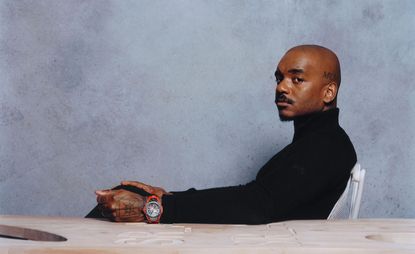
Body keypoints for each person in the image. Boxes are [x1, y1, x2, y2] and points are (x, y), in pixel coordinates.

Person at [86, 44, 357, 224]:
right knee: (125, 193)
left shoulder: (327, 147)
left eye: (296, 79)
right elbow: (258, 197)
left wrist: (153, 208)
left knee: (123, 205)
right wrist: (166, 198)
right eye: (279, 78)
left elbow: (256, 205)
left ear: (328, 92)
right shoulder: (314, 143)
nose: (281, 88)